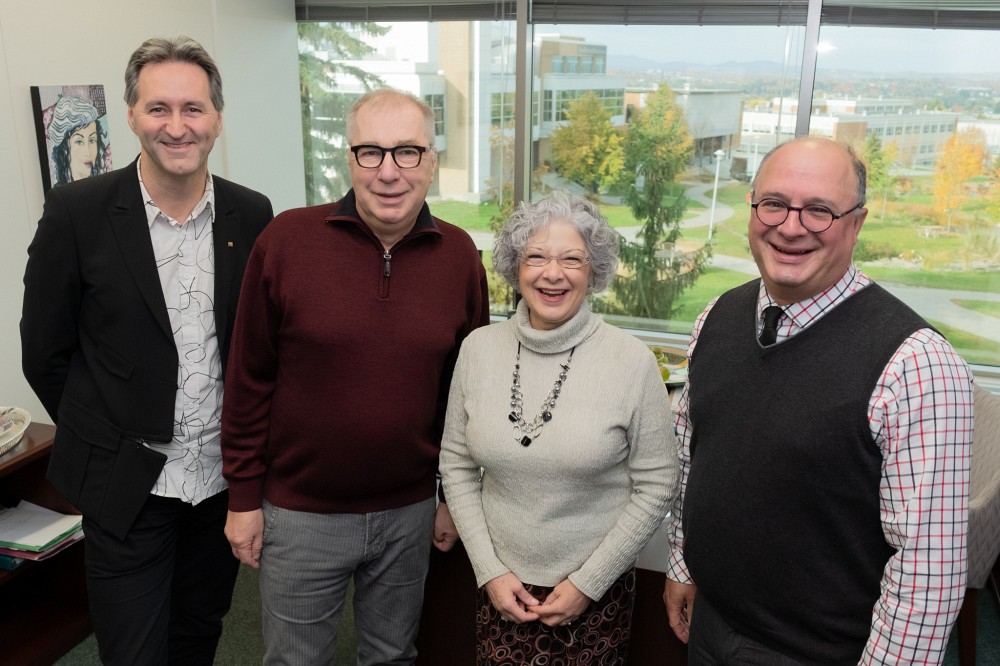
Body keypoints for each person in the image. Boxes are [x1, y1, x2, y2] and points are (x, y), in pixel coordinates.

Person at [663, 137, 974, 665]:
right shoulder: (717, 317)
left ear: (857, 222)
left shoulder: (916, 365)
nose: (790, 226)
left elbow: (928, 571)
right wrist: (682, 565)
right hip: (713, 625)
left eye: (820, 211)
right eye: (775, 203)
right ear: (753, 209)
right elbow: (695, 457)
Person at [21, 36, 273, 665]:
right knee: (132, 651)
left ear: (216, 117)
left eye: (194, 109)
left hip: (219, 481)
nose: (177, 126)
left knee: (198, 634)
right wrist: (104, 430)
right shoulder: (77, 212)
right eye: (159, 108)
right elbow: (44, 351)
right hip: (127, 485)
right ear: (131, 115)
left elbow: (258, 346)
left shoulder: (251, 213)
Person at [220, 87, 490, 665]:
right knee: (296, 661)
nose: (389, 171)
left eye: (408, 152)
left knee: (393, 657)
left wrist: (452, 498)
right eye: (371, 152)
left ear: (433, 161)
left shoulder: (461, 256)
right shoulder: (286, 242)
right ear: (349, 160)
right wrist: (243, 498)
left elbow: (463, 397)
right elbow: (248, 380)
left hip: (410, 512)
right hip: (300, 515)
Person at [439, 190, 679, 665]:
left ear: (595, 271)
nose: (553, 274)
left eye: (572, 259)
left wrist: (588, 584)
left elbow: (658, 484)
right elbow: (457, 464)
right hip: (501, 590)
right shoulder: (478, 349)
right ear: (514, 267)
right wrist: (488, 570)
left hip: (594, 594)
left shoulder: (631, 362)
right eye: (536, 257)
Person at [47, 94, 110, 185]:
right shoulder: (59, 195)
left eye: (92, 140)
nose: (88, 152)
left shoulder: (103, 187)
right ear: (65, 149)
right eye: (79, 142)